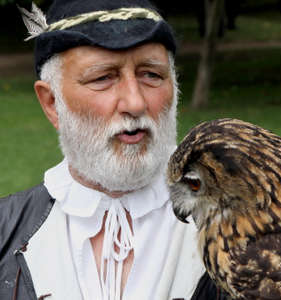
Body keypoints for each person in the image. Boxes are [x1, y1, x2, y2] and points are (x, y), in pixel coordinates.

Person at [0, 0, 227, 299]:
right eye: (103, 78)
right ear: (51, 103)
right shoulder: (6, 232)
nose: (135, 102)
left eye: (151, 75)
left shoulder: (244, 226)